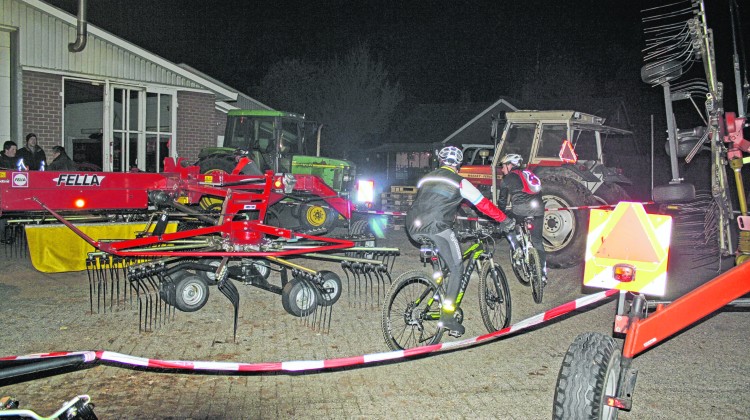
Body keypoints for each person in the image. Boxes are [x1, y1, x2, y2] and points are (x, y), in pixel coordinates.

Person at [406, 146, 514, 337]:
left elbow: (432, 203)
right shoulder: (459, 182)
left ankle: (438, 287)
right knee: (457, 268)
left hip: (413, 226)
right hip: (437, 228)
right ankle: (447, 317)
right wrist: (505, 220)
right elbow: (483, 205)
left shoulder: (427, 178)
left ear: (440, 161)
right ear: (458, 164)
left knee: (444, 263)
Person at [497, 153, 547, 282]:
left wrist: (501, 215)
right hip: (538, 210)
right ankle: (543, 274)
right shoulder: (530, 174)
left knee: (506, 223)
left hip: (520, 210)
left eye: (503, 166)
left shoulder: (507, 178)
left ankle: (517, 247)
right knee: (537, 241)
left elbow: (502, 200)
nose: (502, 169)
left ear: (510, 165)